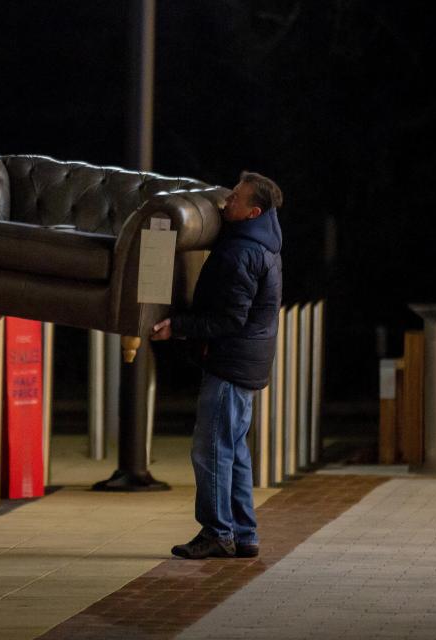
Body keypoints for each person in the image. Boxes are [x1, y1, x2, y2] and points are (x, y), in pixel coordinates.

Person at [151, 171, 283, 560]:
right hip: (244, 361)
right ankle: (244, 534)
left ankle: (216, 532)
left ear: (253, 211)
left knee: (210, 451)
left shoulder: (242, 251)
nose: (226, 202)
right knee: (233, 450)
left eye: (236, 199)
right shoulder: (260, 242)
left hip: (230, 363)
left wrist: (178, 327)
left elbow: (229, 319)